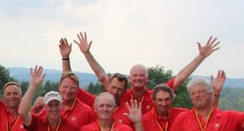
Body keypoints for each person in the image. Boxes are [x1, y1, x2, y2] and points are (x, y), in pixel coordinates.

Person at [72, 32, 220, 114]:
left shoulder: (155, 95)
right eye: (135, 75)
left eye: (141, 75)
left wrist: (200, 57)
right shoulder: (121, 94)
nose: (138, 78)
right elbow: (101, 75)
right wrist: (87, 53)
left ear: (147, 78)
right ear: (130, 79)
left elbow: (181, 77)